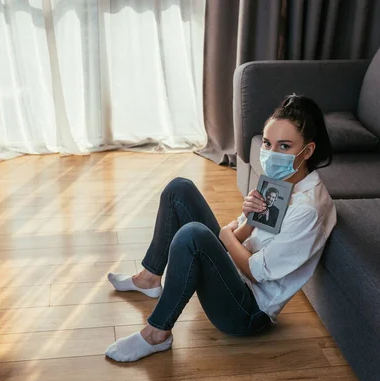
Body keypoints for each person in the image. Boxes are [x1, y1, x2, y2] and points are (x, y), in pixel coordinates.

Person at [105, 94, 336, 362]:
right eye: (268, 143)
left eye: (284, 146)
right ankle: (149, 279)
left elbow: (257, 271)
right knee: (179, 189)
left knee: (192, 235)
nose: (272, 154)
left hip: (246, 310)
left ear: (307, 151)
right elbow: (240, 237)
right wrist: (246, 224)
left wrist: (226, 235)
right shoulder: (280, 181)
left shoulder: (308, 210)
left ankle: (157, 334)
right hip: (231, 271)